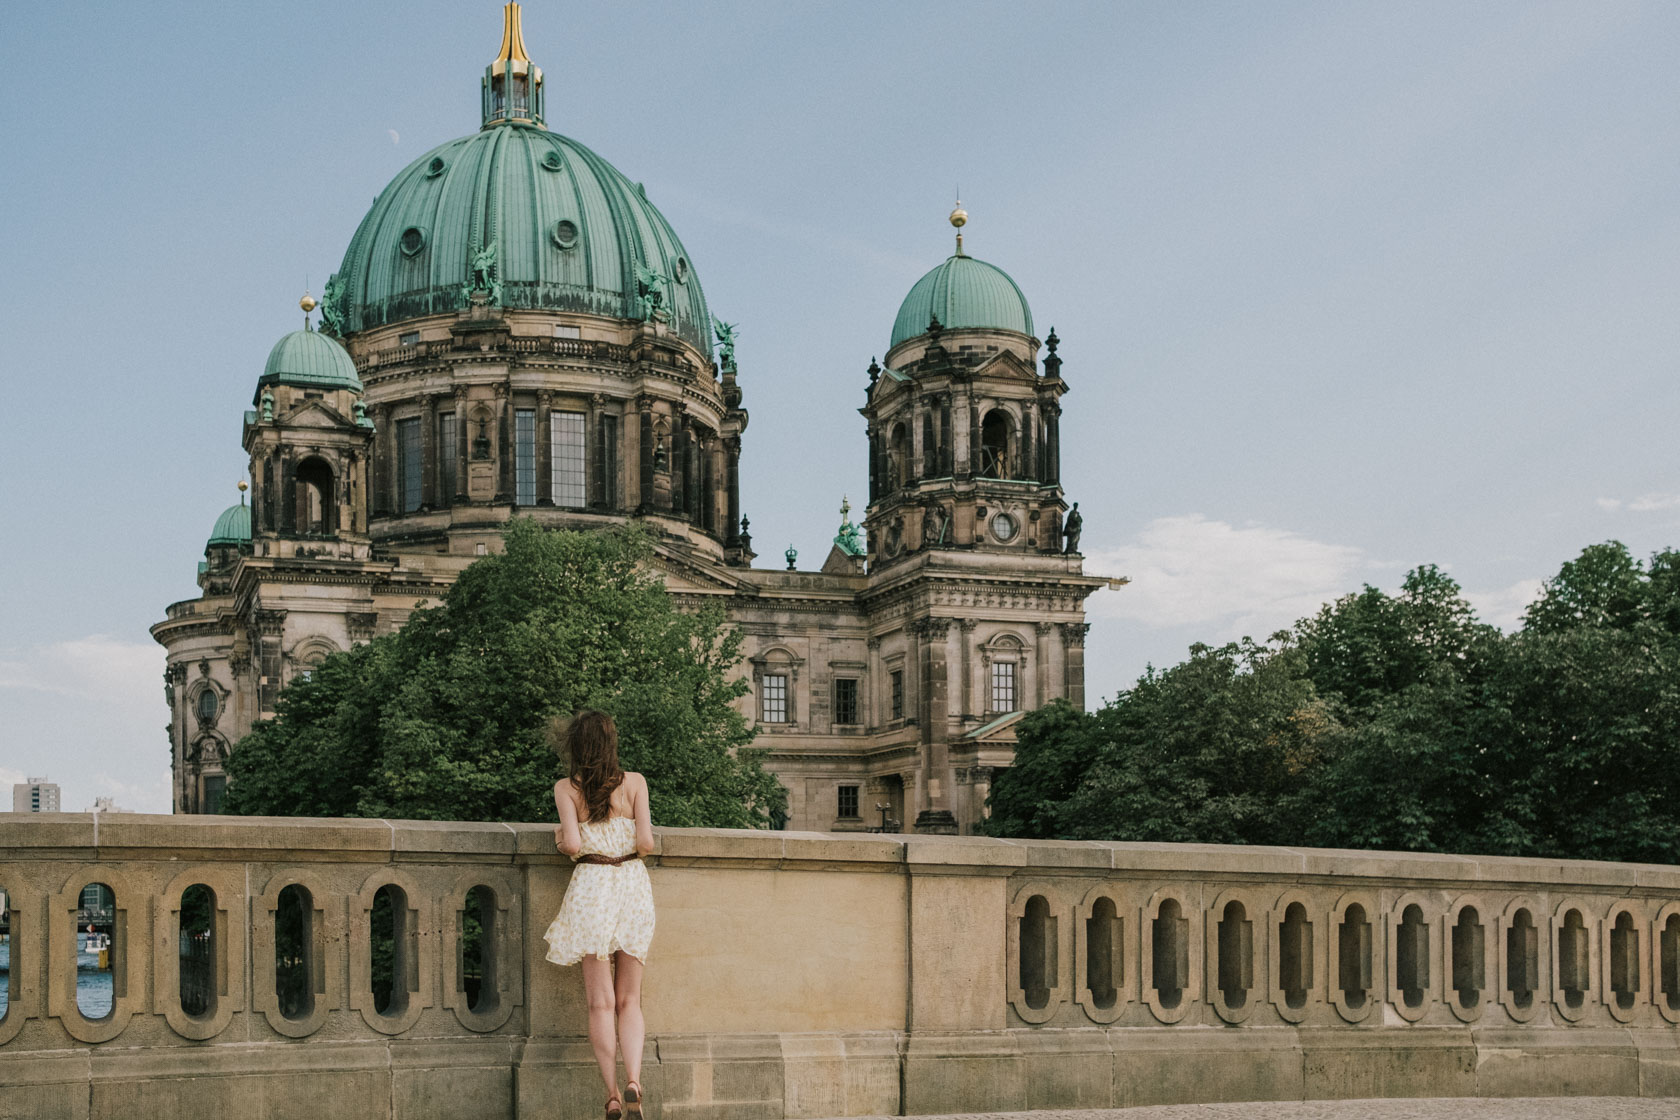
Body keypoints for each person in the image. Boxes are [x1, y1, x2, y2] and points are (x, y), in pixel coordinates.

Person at [544, 710, 657, 1119]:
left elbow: (573, 844)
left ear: (576, 745)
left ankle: (610, 1094)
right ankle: (634, 1081)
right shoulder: (635, 783)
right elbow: (645, 841)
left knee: (599, 1003)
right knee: (630, 999)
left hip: (592, 886)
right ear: (611, 743)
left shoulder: (565, 788)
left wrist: (561, 842)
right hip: (630, 884)